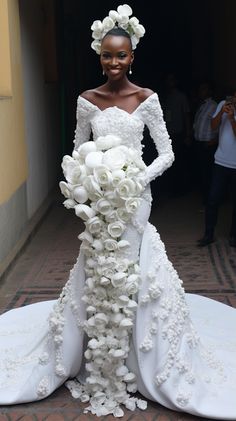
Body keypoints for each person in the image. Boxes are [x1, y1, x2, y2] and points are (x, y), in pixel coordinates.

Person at [0, 4, 236, 419]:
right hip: (97, 200)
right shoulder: (86, 102)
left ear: (132, 56)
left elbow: (166, 154)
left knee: (134, 269)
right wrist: (88, 183)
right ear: (99, 55)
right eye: (107, 55)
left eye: (121, 55)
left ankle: (138, 355)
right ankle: (94, 351)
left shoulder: (147, 99)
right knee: (95, 267)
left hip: (133, 198)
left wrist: (133, 176)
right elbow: (75, 152)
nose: (113, 62)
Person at [197, 90, 236, 247]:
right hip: (220, 162)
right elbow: (213, 126)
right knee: (212, 199)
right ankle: (209, 234)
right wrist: (222, 112)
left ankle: (233, 236)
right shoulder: (222, 105)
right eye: (234, 95)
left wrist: (232, 118)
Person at [161, 72, 192, 196]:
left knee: (178, 162)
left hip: (178, 133)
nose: (170, 82)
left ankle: (180, 189)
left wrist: (188, 134)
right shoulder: (165, 96)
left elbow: (187, 115)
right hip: (167, 134)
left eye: (172, 80)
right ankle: (171, 188)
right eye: (168, 80)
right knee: (167, 162)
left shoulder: (181, 96)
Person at [193, 81, 218, 204]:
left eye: (204, 88)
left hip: (208, 144)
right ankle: (205, 198)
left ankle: (209, 200)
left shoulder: (213, 105)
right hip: (199, 143)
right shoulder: (202, 105)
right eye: (200, 88)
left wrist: (215, 139)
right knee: (201, 171)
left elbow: (219, 124)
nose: (200, 91)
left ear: (210, 91)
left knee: (207, 173)